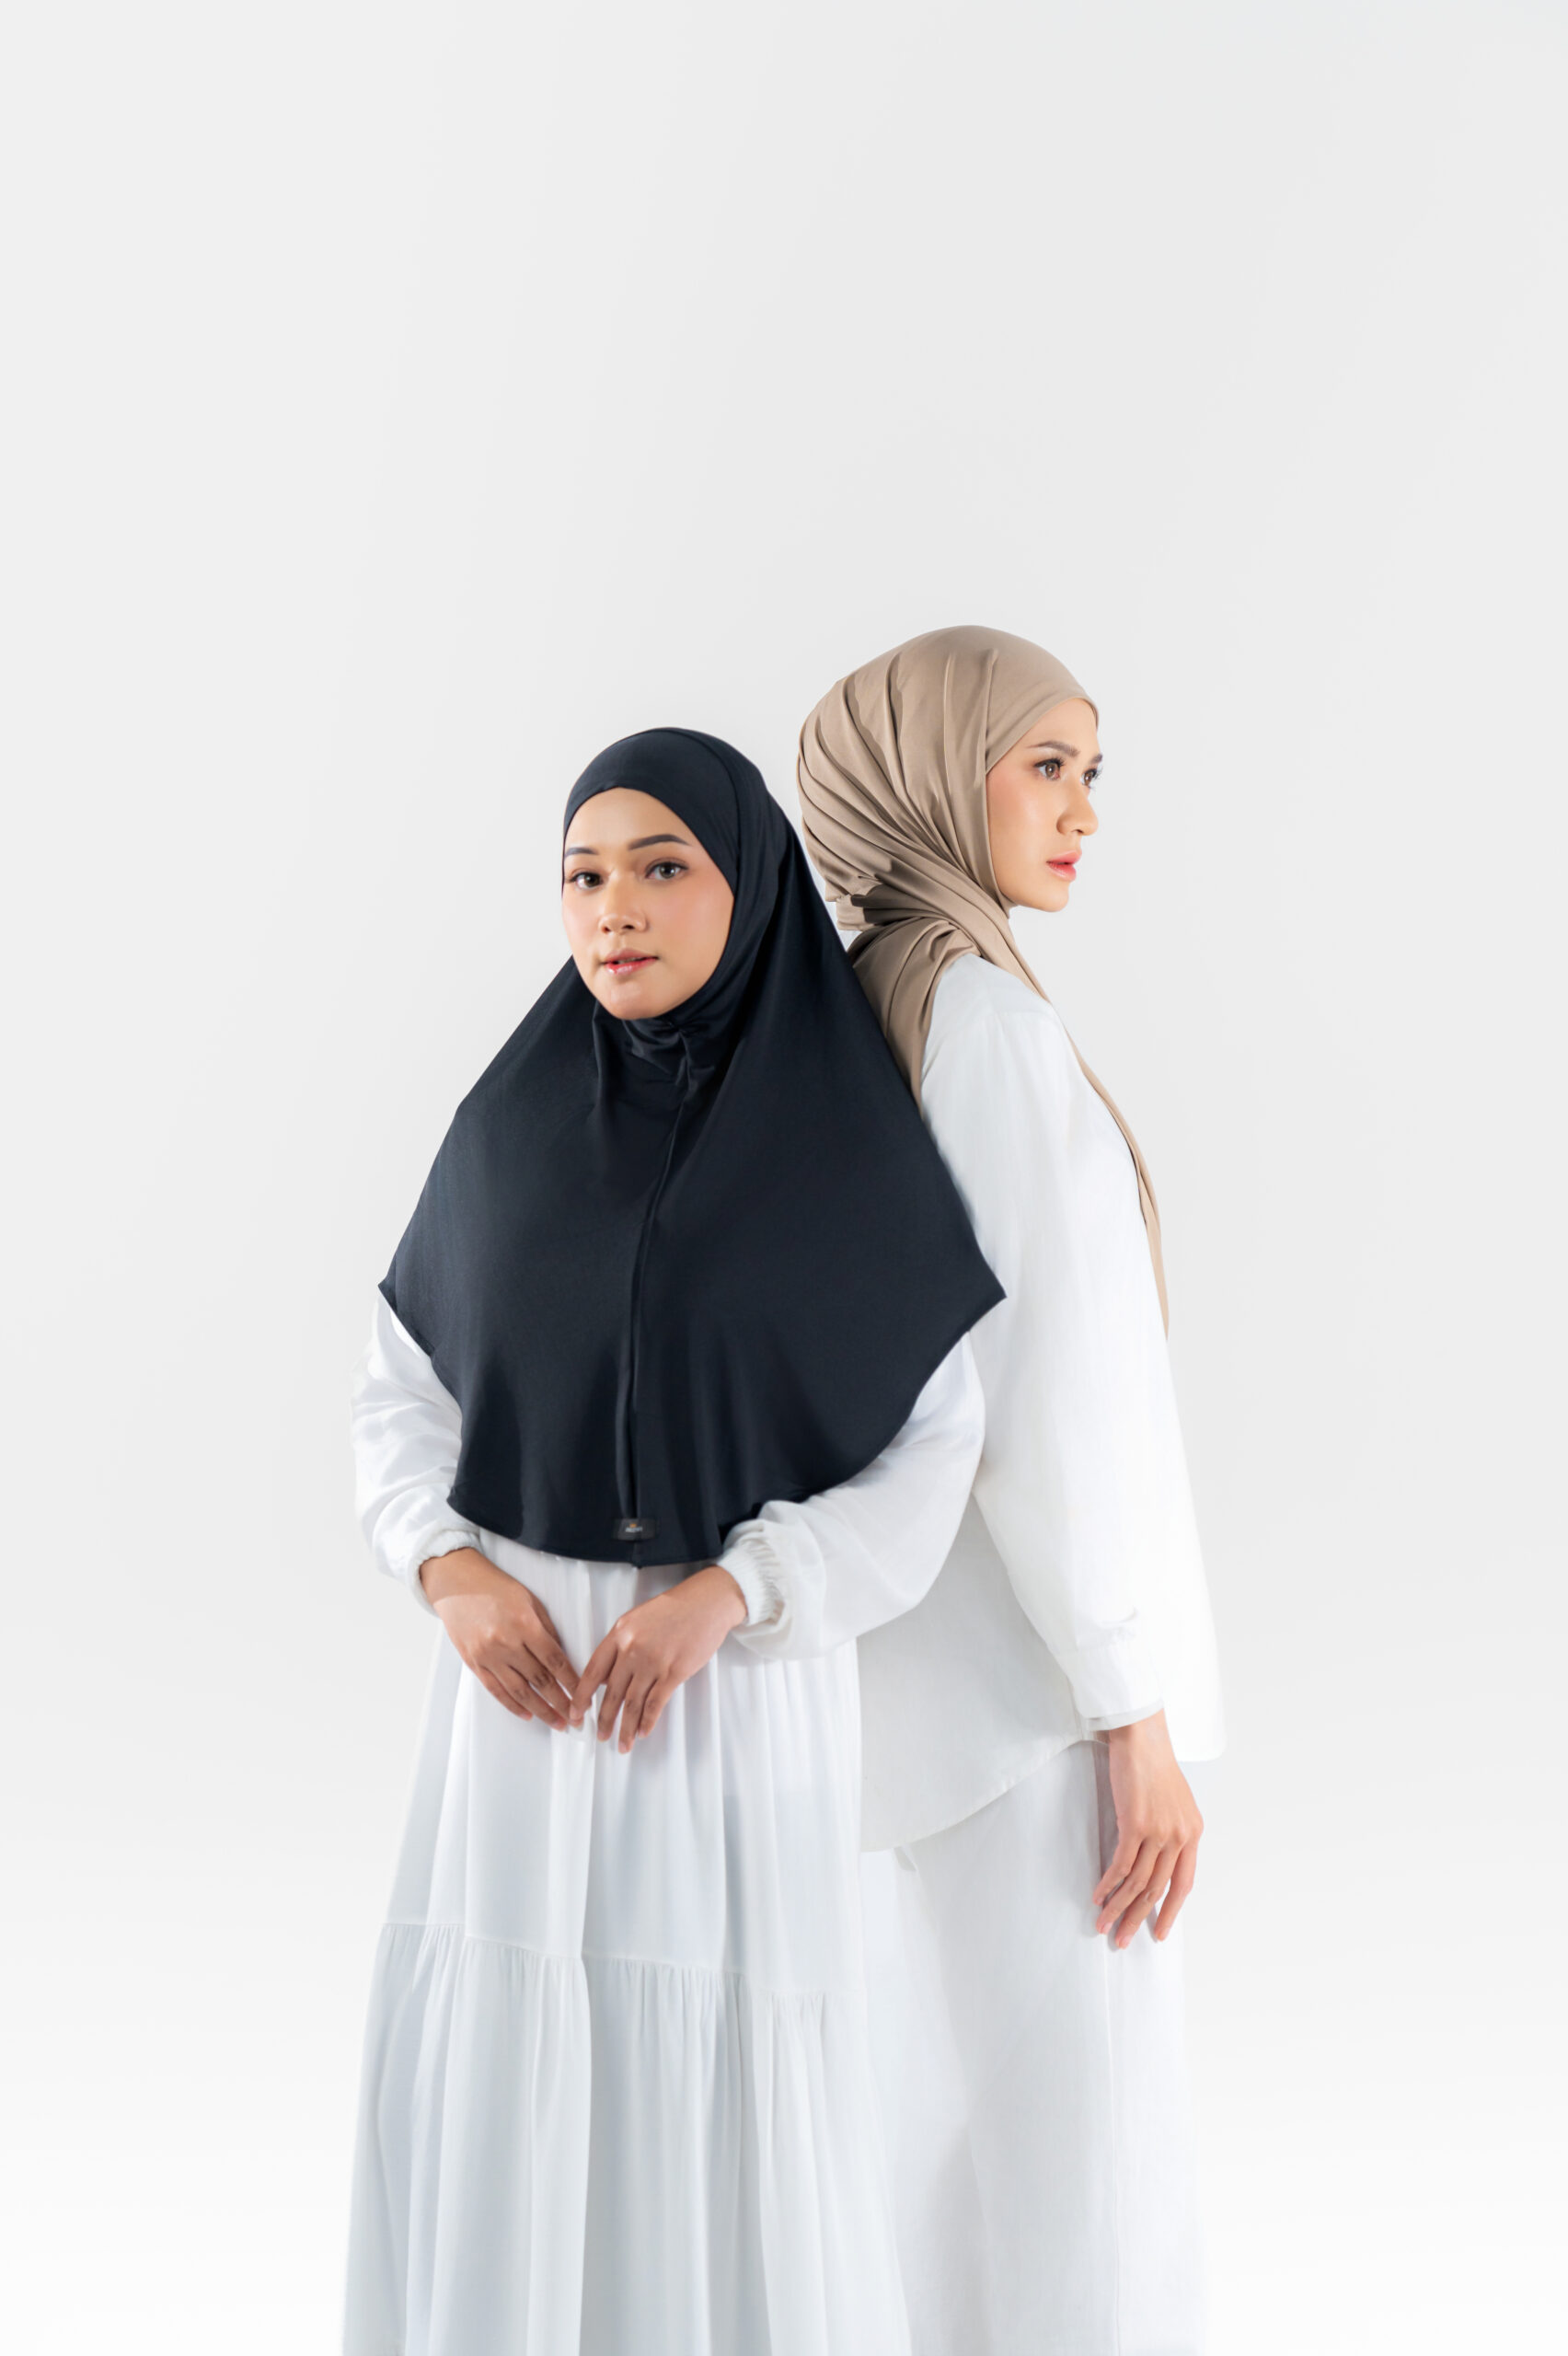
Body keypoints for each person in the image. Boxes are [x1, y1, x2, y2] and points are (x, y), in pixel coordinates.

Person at [340, 725, 1007, 2356]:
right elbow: (400, 1389)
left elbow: (931, 1455)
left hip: (730, 1710)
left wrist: (734, 1592)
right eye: (582, 876)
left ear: (751, 886)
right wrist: (449, 1569)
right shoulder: (507, 1132)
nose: (614, 910)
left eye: (661, 868)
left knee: (717, 2085)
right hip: (520, 1704)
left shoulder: (851, 1157)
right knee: (515, 2059)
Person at [798, 628, 1226, 2356]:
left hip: (910, 1707)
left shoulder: (857, 1004)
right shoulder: (977, 1017)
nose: (1083, 812)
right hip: (1035, 1707)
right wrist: (1134, 1709)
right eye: (1044, 766)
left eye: (1091, 773)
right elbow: (1042, 1395)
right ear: (930, 769)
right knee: (1090, 2187)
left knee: (949, 2175)